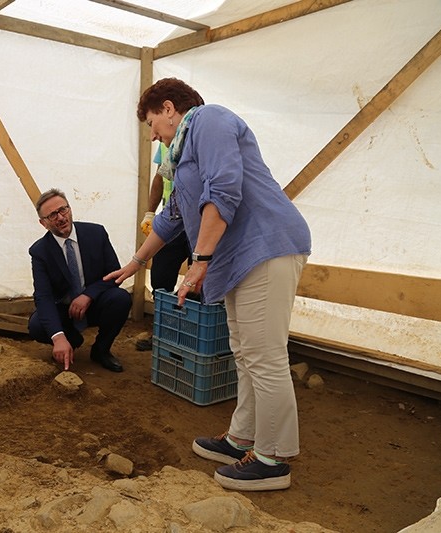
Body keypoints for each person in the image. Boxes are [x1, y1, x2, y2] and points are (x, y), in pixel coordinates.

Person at [105, 78, 311, 491]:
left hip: (266, 246)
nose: (152, 135)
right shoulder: (180, 159)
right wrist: (136, 263)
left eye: (152, 124)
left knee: (265, 356)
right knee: (245, 352)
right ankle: (242, 440)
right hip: (238, 259)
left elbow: (225, 188)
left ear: (168, 108)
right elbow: (171, 217)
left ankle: (274, 458)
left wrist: (199, 261)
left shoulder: (208, 119)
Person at [28, 188, 132, 373]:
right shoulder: (39, 252)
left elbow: (114, 274)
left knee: (121, 299)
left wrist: (88, 295)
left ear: (70, 209)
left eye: (63, 210)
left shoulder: (96, 233)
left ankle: (101, 350)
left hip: (94, 303)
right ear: (43, 223)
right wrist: (58, 337)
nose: (60, 217)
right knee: (36, 325)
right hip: (65, 310)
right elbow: (43, 296)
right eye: (52, 215)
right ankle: (72, 339)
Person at [140, 144, 191, 295]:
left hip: (196, 222)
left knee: (197, 281)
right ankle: (162, 311)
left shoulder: (198, 137)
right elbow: (159, 178)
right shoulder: (163, 142)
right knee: (160, 276)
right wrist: (150, 212)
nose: (155, 136)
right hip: (170, 221)